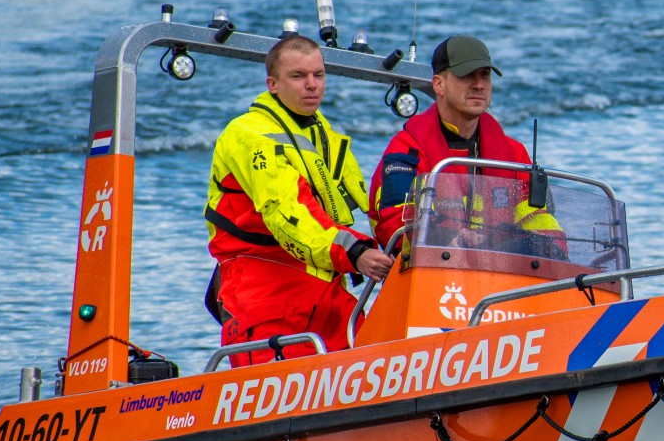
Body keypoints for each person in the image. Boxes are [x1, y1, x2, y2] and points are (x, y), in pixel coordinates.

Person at [205, 34, 393, 365]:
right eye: (298, 76)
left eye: (318, 75)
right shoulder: (248, 136)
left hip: (326, 293)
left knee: (384, 354)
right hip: (266, 296)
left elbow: (369, 204)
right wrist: (355, 252)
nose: (312, 85)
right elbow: (288, 213)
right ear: (273, 84)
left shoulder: (326, 136)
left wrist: (405, 247)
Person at [369, 34, 563, 254]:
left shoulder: (514, 154)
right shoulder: (406, 151)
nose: (479, 84)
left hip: (502, 282)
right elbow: (394, 227)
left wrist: (551, 250)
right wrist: (451, 242)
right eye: (467, 76)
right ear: (439, 85)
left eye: (485, 75)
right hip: (429, 278)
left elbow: (541, 222)